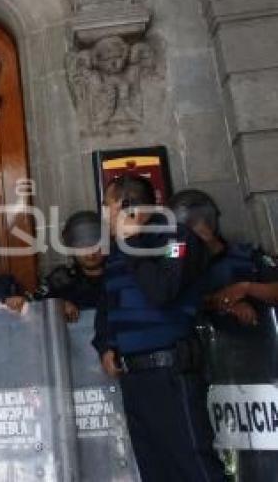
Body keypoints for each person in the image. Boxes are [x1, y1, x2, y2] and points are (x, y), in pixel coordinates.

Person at [99, 174, 226, 482]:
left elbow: (162, 291)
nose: (105, 214)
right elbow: (108, 304)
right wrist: (105, 344)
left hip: (170, 370)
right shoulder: (117, 252)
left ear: (126, 205)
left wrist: (130, 243)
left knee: (193, 463)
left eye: (108, 205)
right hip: (133, 377)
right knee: (155, 468)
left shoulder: (176, 239)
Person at [169, 189, 278, 325]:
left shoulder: (245, 254)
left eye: (197, 223)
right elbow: (180, 303)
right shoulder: (180, 268)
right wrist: (225, 304)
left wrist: (246, 288)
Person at [37, 211, 106, 321]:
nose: (91, 254)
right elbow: (34, 308)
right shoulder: (60, 279)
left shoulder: (121, 275)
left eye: (96, 246)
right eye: (82, 246)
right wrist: (58, 305)